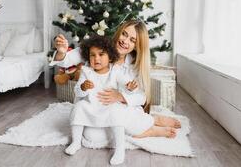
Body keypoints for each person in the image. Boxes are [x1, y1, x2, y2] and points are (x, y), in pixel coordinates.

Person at [50, 20, 181, 142]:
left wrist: (120, 96)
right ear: (119, 32)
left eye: (132, 40)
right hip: (94, 107)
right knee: (91, 136)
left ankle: (151, 126)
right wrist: (61, 52)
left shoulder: (133, 65)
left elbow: (141, 98)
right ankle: (148, 123)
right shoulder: (98, 47)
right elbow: (67, 59)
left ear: (137, 46)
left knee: (120, 120)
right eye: (124, 34)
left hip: (118, 109)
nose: (125, 41)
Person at [66, 35, 137, 165]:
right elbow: (77, 92)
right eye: (92, 55)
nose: (96, 58)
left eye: (101, 54)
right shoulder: (86, 71)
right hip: (92, 106)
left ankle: (119, 149)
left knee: (117, 110)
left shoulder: (115, 71)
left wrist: (129, 87)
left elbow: (124, 84)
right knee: (79, 106)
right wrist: (83, 87)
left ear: (110, 57)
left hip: (108, 106)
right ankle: (76, 142)